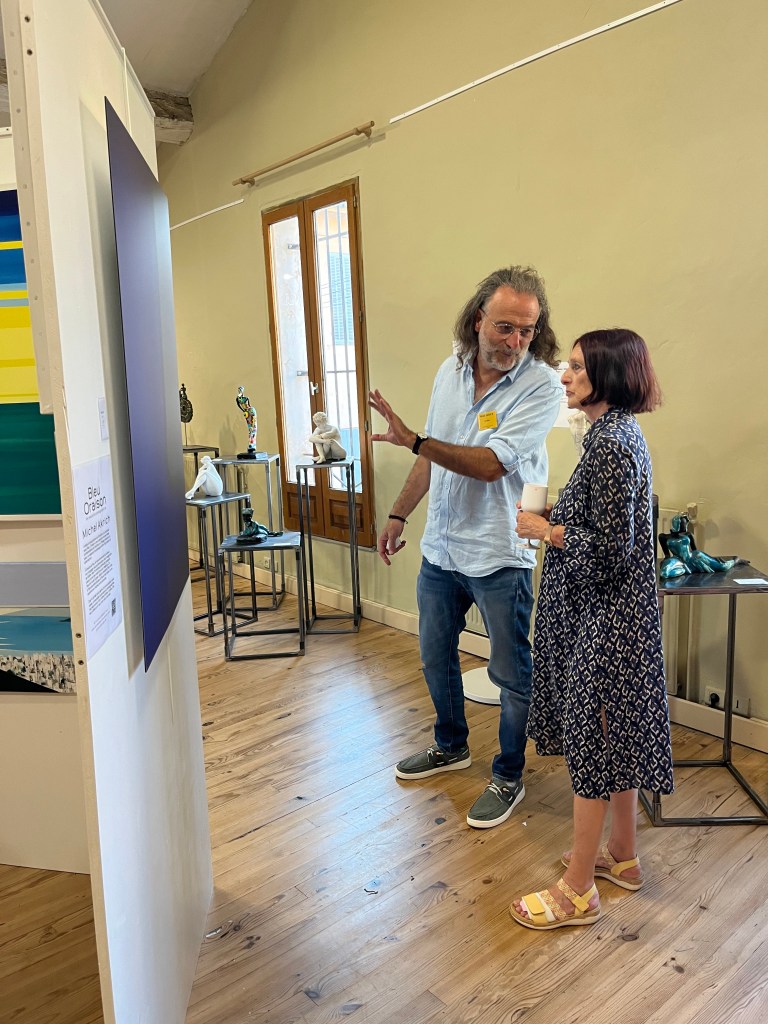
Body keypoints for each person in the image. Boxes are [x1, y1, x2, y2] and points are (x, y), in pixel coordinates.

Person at [369, 265, 562, 828]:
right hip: (442, 550)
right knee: (435, 655)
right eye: (505, 327)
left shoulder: (542, 385)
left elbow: (491, 463)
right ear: (478, 320)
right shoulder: (449, 370)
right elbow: (431, 456)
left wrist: (415, 440)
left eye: (527, 330)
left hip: (500, 553)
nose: (516, 341)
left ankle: (508, 774)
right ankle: (451, 745)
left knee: (511, 673)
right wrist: (399, 512)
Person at [510, 328, 674, 930]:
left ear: (609, 375)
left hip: (606, 624)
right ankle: (622, 856)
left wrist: (545, 530)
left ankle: (577, 891)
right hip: (612, 619)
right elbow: (611, 527)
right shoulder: (614, 434)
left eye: (577, 367)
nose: (565, 375)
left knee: (593, 746)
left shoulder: (611, 444)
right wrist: (562, 516)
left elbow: (609, 552)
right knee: (612, 738)